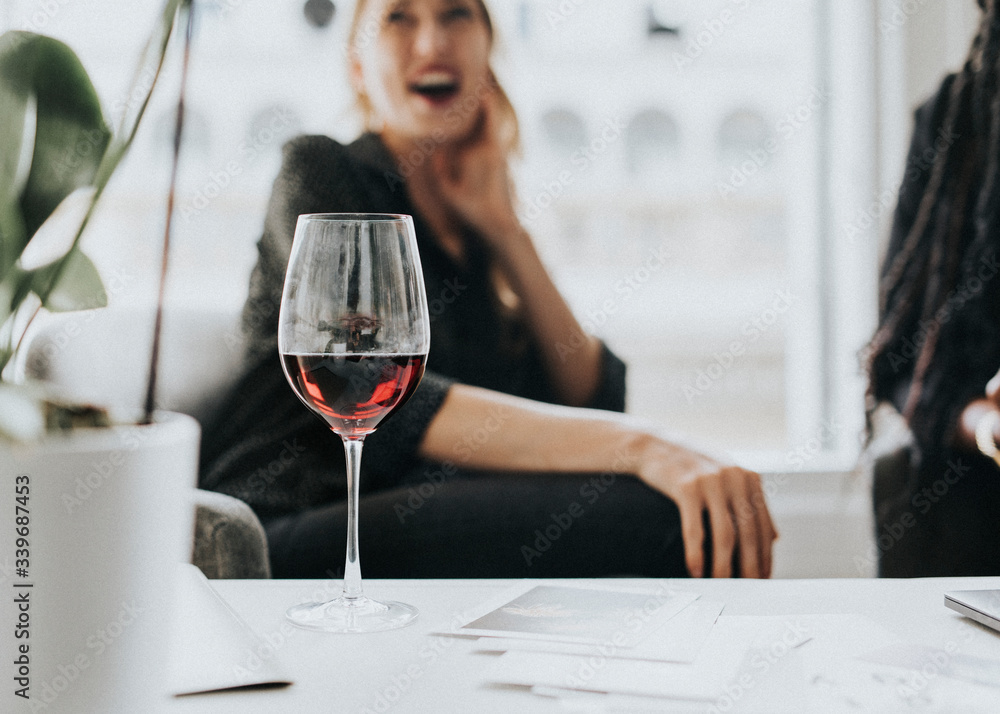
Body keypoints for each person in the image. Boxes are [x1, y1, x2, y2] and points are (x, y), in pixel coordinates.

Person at [200, 0, 778, 580]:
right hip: (297, 515)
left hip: (411, 506)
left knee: (671, 507)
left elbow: (589, 396)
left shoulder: (470, 234)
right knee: (666, 517)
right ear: (357, 68)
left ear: (487, 54)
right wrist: (645, 446)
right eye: (400, 18)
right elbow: (374, 384)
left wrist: (505, 229)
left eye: (456, 15)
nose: (432, 44)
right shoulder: (323, 169)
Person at [866, 0, 1000, 576]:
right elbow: (900, 360)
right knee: (911, 473)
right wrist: (983, 425)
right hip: (977, 466)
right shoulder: (952, 124)